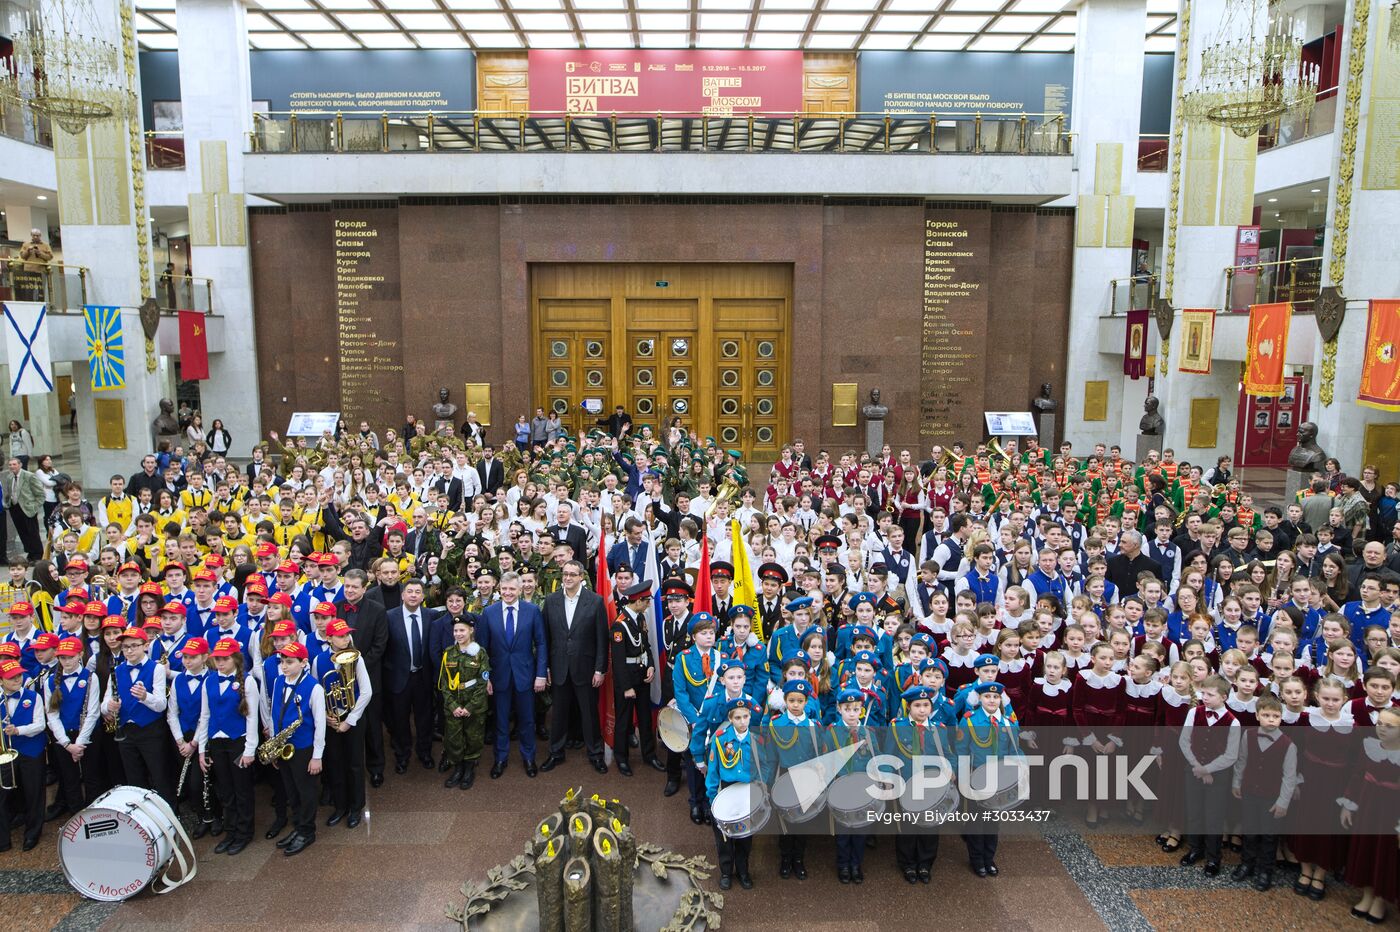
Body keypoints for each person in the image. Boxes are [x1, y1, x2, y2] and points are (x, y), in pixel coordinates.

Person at [539, 559, 608, 773]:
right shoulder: (551, 601)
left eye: (572, 574)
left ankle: (596, 753)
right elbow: (545, 638)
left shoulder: (595, 601)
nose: (567, 578)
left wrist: (599, 669)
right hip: (559, 667)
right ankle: (555, 753)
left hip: (585, 669)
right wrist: (546, 668)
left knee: (589, 714)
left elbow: (601, 639)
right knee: (558, 714)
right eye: (565, 574)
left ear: (581, 577)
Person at [477, 571, 546, 779]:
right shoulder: (489, 612)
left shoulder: (532, 610)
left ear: (519, 589)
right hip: (499, 676)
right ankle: (500, 758)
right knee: (500, 719)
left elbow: (541, 643)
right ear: (500, 589)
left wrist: (541, 674)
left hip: (525, 674)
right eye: (504, 589)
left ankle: (528, 757)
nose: (508, 593)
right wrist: (485, 677)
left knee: (526, 719)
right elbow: (482, 649)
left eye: (512, 589)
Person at [197, 637, 260, 855]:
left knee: (241, 789)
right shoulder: (209, 681)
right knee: (225, 789)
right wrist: (202, 748)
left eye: (224, 659)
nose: (220, 663)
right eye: (217, 659)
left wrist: (250, 749)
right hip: (217, 741)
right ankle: (231, 830)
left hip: (238, 740)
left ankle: (244, 832)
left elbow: (252, 718)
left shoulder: (248, 682)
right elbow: (205, 716)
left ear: (234, 659)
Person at [1229, 694, 1297, 892]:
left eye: (1275, 716)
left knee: (1269, 836)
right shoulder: (1248, 735)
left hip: (1271, 797)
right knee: (1249, 830)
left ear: (1281, 718)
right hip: (1250, 792)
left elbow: (1289, 776)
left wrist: (1283, 801)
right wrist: (1236, 783)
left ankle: (1266, 870)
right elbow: (1241, 761)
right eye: (1266, 715)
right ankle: (1246, 863)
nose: (1271, 719)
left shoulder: (1288, 744)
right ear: (1257, 715)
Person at [103, 625, 175, 805]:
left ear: (145, 645)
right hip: (126, 731)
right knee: (134, 777)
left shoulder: (156, 668)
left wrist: (145, 697)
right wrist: (109, 706)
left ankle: (171, 813)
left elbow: (161, 704)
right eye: (126, 647)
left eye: (134, 645)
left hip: (151, 730)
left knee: (160, 775)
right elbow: (104, 704)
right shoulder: (117, 671)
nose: (129, 650)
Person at [267, 641, 326, 857]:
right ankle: (299, 825)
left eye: (290, 662)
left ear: (303, 663)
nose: (284, 666)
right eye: (282, 662)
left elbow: (320, 725)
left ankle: (307, 831)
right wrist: (274, 745)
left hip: (303, 748)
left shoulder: (314, 688)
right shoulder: (277, 682)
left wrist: (317, 756)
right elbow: (275, 713)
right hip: (283, 747)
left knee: (306, 791)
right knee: (291, 790)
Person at [1178, 674, 1240, 876]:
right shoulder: (1194, 713)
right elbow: (1184, 741)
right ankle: (1195, 848)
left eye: (1210, 694)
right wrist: (1197, 766)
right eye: (1203, 693)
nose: (1205, 697)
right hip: (1193, 770)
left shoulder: (1233, 722)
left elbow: (1231, 755)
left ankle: (1214, 858)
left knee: (1214, 817)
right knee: (1193, 811)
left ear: (1223, 696)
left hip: (1218, 777)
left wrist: (1208, 769)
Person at [336, 569, 388, 787]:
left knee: (373, 727)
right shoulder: (336, 609)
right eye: (347, 586)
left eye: (354, 587)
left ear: (364, 588)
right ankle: (347, 768)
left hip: (369, 678)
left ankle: (376, 767)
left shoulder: (377, 610)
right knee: (344, 724)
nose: (349, 590)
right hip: (340, 679)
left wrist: (357, 667)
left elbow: (379, 645)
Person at [704, 696, 762, 890]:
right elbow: (713, 770)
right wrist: (712, 798)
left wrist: (762, 787)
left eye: (746, 716)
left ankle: (743, 871)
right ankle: (726, 871)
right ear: (730, 718)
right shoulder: (721, 739)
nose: (742, 721)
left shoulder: (757, 740)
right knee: (724, 838)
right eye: (737, 718)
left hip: (747, 791)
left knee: (745, 837)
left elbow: (765, 767)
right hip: (726, 789)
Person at [384, 580, 437, 774]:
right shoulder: (390, 617)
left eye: (417, 592)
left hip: (423, 677)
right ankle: (402, 755)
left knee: (425, 719)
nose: (413, 595)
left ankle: (424, 752)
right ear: (402, 595)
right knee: (400, 720)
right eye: (409, 591)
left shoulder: (432, 616)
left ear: (423, 596)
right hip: (399, 678)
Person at [610, 580, 663, 777]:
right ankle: (621, 757)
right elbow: (617, 660)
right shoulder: (619, 625)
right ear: (638, 601)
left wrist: (650, 665)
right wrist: (626, 687)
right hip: (627, 680)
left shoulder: (640, 618)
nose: (649, 604)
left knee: (644, 718)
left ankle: (649, 754)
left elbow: (646, 646)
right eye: (646, 601)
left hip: (642, 676)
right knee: (624, 721)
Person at [438, 615, 488, 790]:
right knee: (454, 738)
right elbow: (444, 683)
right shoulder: (448, 652)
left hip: (473, 706)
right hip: (454, 705)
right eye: (456, 630)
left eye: (462, 630)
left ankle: (469, 769)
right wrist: (453, 706)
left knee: (473, 737)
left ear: (471, 631)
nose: (458, 634)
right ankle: (457, 768)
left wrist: (470, 707)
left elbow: (483, 684)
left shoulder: (480, 653)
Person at [0, 658, 45, 850]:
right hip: (5, 754)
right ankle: (3, 839)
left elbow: (40, 725)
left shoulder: (33, 697)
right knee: (3, 795)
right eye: (11, 677)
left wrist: (19, 730)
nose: (17, 680)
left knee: (33, 793)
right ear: (1, 680)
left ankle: (32, 834)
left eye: (18, 675)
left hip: (31, 750)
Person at [3, 458, 46, 560]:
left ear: (20, 465)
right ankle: (30, 552)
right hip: (15, 508)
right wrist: (8, 503)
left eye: (14, 464)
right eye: (10, 465)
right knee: (22, 532)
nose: (12, 467)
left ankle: (38, 554)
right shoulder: (9, 477)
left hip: (28, 508)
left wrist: (34, 507)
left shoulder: (29, 476)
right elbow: (9, 493)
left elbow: (41, 494)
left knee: (32, 532)